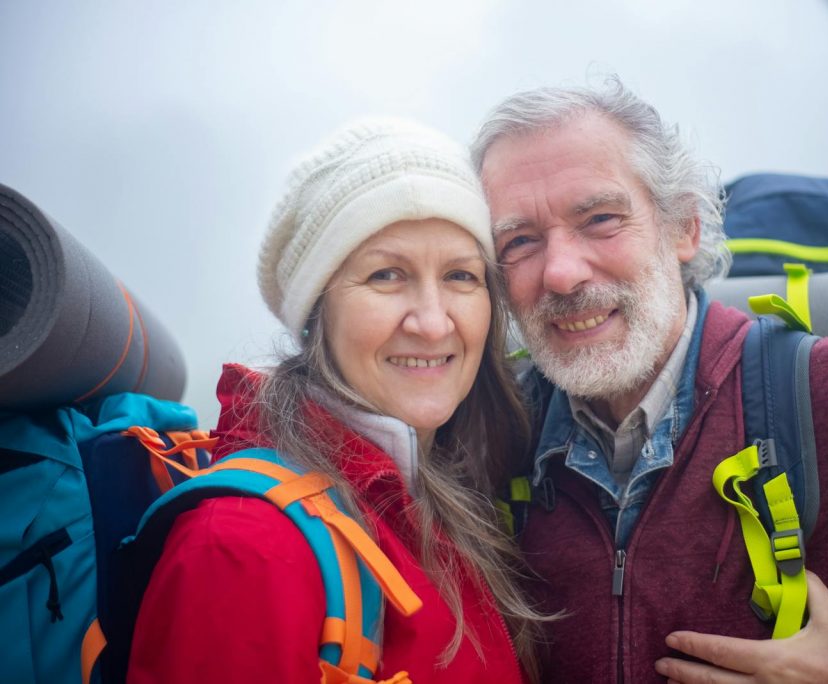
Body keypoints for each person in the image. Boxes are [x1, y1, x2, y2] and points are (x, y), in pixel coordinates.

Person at [470, 76, 828, 683]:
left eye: (600, 218)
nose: (561, 273)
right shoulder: (483, 443)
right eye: (519, 240)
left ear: (684, 227)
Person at [127, 118, 546, 683]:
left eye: (461, 276)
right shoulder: (243, 545)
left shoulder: (445, 500)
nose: (431, 321)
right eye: (386, 275)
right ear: (314, 316)